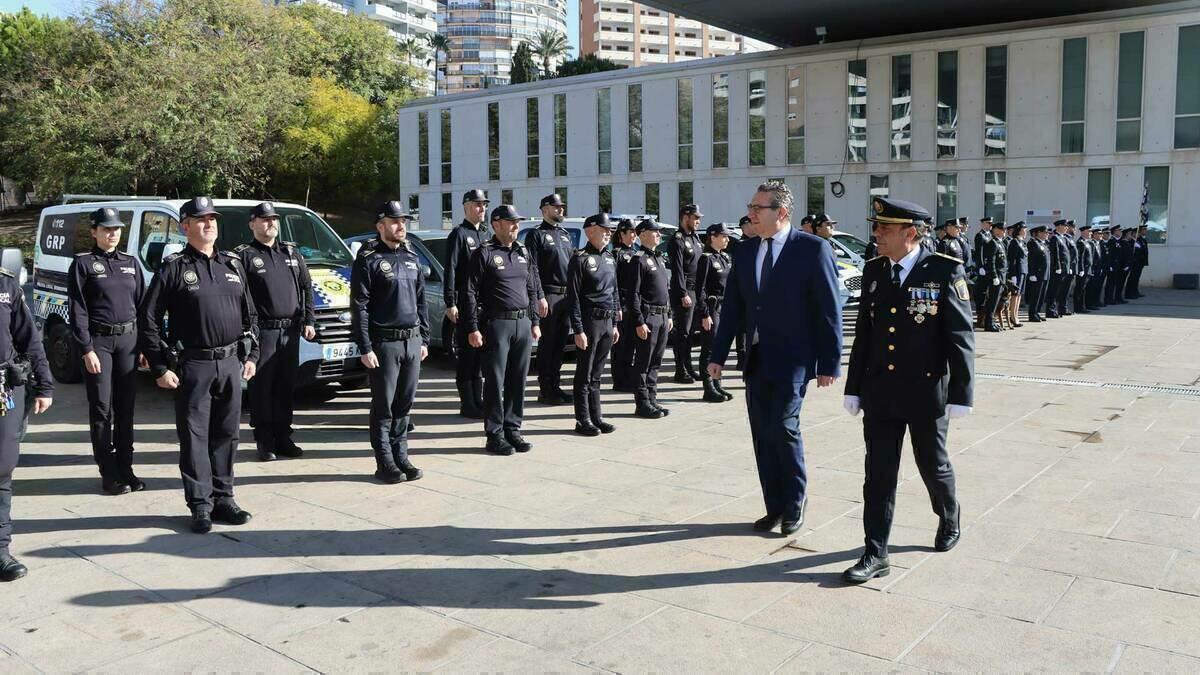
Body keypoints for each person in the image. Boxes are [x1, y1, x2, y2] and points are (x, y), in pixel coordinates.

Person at [841, 196, 974, 583]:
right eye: (877, 226)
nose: (877, 233)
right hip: (881, 391)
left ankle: (949, 515)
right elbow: (864, 335)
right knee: (878, 474)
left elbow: (961, 337)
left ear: (910, 233)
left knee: (932, 464)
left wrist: (962, 393)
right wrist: (854, 387)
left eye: (885, 228)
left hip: (925, 391)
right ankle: (875, 552)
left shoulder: (944, 272)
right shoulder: (875, 271)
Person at [707, 180, 843, 536]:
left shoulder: (812, 249)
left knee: (784, 428)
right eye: (751, 207)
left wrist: (830, 362)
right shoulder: (747, 251)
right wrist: (717, 355)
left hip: (794, 359)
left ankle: (795, 503)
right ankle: (775, 506)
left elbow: (829, 309)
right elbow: (733, 308)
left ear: (781, 212)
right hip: (756, 358)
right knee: (762, 435)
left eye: (757, 208)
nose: (750, 214)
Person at [140, 196, 258, 534]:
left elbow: (251, 315)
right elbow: (148, 317)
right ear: (185, 226)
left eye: (213, 219)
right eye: (200, 219)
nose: (209, 224)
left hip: (231, 364)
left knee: (227, 434)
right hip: (194, 365)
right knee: (194, 439)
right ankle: (200, 506)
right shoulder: (174, 267)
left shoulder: (233, 265)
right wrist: (160, 366)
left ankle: (224, 499)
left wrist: (252, 356)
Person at [350, 201, 429, 484]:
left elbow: (420, 300)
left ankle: (401, 455)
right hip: (384, 343)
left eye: (403, 221)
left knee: (404, 404)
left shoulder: (410, 256)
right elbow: (360, 305)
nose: (400, 226)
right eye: (394, 221)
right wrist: (365, 346)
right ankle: (384, 461)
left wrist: (424, 338)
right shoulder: (368, 258)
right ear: (380, 225)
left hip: (412, 340)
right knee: (383, 405)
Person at [67, 207, 144, 495]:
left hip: (128, 341)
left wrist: (146, 346)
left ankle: (127, 468)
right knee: (102, 409)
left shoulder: (130, 263)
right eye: (107, 229)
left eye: (116, 229)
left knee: (126, 409)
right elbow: (78, 310)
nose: (113, 233)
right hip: (99, 344)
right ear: (94, 232)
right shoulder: (84, 264)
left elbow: (141, 305)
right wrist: (86, 349)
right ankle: (109, 473)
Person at [235, 202, 315, 462]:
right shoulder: (244, 255)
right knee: (262, 389)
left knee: (285, 386)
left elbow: (306, 287)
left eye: (274, 219)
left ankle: (283, 437)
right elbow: (241, 297)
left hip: (290, 331)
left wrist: (308, 319)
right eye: (265, 219)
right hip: (264, 332)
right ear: (252, 223)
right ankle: (264, 440)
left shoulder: (290, 252)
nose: (271, 223)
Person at [464, 205, 543, 456]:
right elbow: (469, 293)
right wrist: (473, 327)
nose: (516, 226)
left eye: (517, 222)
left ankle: (513, 428)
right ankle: (495, 434)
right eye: (511, 222)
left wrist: (535, 322)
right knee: (495, 381)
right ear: (496, 224)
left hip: (522, 324)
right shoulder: (484, 253)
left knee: (517, 380)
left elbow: (531, 288)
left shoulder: (523, 252)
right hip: (496, 324)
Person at [0, 258, 54, 581]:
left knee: (2, 470)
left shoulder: (6, 285)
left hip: (4, 390)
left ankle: (0, 551)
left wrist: (44, 384)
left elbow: (29, 338)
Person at [567, 213, 619, 436]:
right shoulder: (579, 259)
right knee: (584, 374)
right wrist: (578, 329)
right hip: (590, 322)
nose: (608, 233)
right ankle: (582, 419)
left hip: (607, 321)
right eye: (604, 229)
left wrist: (615, 323)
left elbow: (614, 292)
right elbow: (573, 298)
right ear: (590, 231)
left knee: (597, 374)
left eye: (610, 230)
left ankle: (597, 416)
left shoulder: (609, 258)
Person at [443, 189, 490, 418]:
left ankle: (478, 400)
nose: (482, 209)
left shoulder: (484, 235)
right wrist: (450, 302)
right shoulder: (459, 234)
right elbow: (450, 270)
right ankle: (467, 403)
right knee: (467, 355)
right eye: (477, 205)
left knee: (480, 355)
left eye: (484, 205)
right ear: (466, 207)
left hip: (483, 304)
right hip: (465, 302)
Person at [524, 194, 569, 405]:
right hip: (548, 294)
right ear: (544, 209)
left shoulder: (565, 235)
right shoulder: (536, 235)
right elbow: (532, 269)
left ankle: (555, 386)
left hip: (565, 295)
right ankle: (545, 389)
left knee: (560, 344)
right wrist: (539, 296)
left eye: (562, 207)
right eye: (556, 207)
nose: (560, 210)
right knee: (548, 344)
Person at [629, 218, 672, 418]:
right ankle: (642, 402)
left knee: (656, 361)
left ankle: (652, 398)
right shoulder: (638, 259)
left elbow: (666, 290)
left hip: (663, 316)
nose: (658, 235)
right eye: (655, 232)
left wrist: (669, 314)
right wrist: (639, 321)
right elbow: (633, 294)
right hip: (649, 317)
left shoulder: (658, 258)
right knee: (644, 362)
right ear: (643, 233)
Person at [696, 223, 733, 403]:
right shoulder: (706, 258)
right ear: (712, 237)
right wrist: (704, 313)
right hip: (711, 308)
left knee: (720, 348)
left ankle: (717, 382)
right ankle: (708, 386)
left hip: (724, 308)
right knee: (709, 348)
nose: (727, 239)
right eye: (723, 236)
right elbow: (700, 289)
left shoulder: (724, 257)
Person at [667, 204, 704, 384]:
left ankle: (689, 367)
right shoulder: (677, 239)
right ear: (685, 217)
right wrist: (683, 293)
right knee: (683, 332)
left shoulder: (696, 239)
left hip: (696, 290)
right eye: (695, 218)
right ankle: (680, 369)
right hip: (685, 290)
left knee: (691, 334)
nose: (698, 221)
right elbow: (678, 269)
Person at [610, 219, 639, 392]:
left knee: (631, 344)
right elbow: (613, 282)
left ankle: (629, 376)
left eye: (635, 232)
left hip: (633, 304)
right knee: (621, 345)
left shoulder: (636, 252)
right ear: (621, 234)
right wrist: (617, 305)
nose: (634, 235)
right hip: (622, 303)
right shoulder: (617, 254)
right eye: (631, 232)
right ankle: (619, 379)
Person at [979, 220, 1007, 332]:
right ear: (995, 230)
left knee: (996, 302)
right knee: (992, 302)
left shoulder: (1000, 243)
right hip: (996, 277)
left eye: (1004, 230)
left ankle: (992, 322)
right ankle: (988, 323)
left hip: (1001, 276)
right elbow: (991, 261)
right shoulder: (993, 243)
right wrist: (994, 276)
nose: (1004, 232)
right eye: (1002, 229)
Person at [1046, 219, 1071, 318]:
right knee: (1053, 290)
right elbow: (1055, 253)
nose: (1066, 228)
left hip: (1064, 268)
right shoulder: (1055, 238)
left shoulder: (1063, 238)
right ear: (1058, 226)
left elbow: (1067, 254)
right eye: (1064, 226)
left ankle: (1057, 309)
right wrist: (1058, 266)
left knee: (1060, 290)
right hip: (1058, 269)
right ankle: (1050, 310)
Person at [1026, 224, 1051, 322]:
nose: (1047, 234)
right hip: (1037, 274)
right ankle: (1032, 314)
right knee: (1035, 295)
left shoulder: (1043, 244)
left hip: (1044, 273)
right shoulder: (1033, 243)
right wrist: (1032, 273)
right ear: (1039, 233)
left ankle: (1037, 313)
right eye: (1045, 232)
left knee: (1041, 295)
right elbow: (1031, 259)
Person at [1005, 222, 1027, 328]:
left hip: (1023, 270)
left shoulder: (1022, 242)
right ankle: (1012, 316)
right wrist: (1012, 274)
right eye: (1024, 229)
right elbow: (1012, 260)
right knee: (1015, 294)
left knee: (1019, 294)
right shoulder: (1014, 242)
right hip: (1017, 271)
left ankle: (1016, 315)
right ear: (1019, 230)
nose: (1025, 231)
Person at [971, 217, 992, 322]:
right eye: (988, 223)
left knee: (987, 292)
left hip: (989, 267)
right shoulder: (980, 235)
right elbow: (980, 252)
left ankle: (984, 315)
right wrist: (981, 266)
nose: (990, 225)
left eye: (990, 223)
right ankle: (980, 315)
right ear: (983, 224)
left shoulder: (989, 235)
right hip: (983, 267)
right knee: (982, 292)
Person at [1073, 224, 1095, 314]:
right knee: (1080, 289)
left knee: (1084, 289)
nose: (1090, 233)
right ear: (1083, 232)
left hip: (1088, 269)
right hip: (1083, 269)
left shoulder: (1087, 242)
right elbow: (1080, 257)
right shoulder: (1080, 242)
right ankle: (1078, 307)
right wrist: (1081, 269)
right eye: (1088, 231)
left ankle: (1083, 306)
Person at [1086, 226, 1106, 310]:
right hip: (1093, 269)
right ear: (1093, 235)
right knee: (1091, 287)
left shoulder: (1099, 243)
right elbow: (1092, 258)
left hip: (1098, 269)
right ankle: (1090, 303)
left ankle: (1096, 301)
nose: (1101, 235)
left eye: (1101, 233)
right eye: (1099, 233)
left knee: (1097, 286)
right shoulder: (1092, 243)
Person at [1127, 224, 1149, 299]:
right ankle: (1129, 293)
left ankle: (1135, 291)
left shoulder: (1141, 240)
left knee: (1136, 278)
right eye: (1137, 233)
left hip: (1140, 263)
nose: (1138, 234)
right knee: (1132, 278)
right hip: (1134, 263)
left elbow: (1144, 251)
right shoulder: (1132, 242)